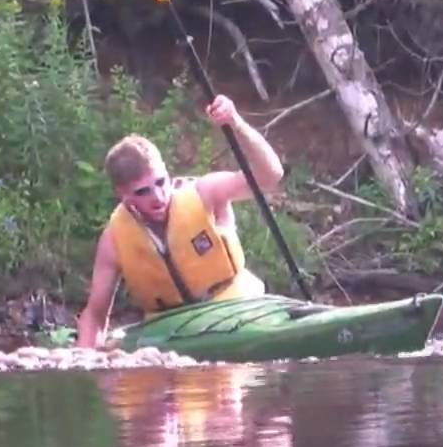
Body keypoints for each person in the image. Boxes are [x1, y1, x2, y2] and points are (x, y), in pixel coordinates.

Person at [75, 94, 286, 348]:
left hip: (236, 310)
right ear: (123, 194)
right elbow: (95, 315)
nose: (158, 197)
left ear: (167, 172)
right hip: (171, 330)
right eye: (143, 192)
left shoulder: (205, 193)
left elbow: (270, 175)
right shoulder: (113, 240)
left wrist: (236, 123)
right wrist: (84, 358)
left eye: (160, 182)